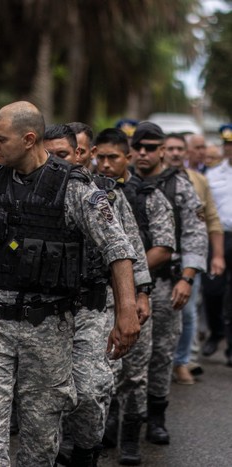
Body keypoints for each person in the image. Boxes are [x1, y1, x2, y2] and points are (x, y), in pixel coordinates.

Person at [0, 101, 139, 467]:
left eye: (0, 139)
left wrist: (127, 312)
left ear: (28, 139)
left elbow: (118, 249)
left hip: (49, 328)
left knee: (40, 438)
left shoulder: (74, 189)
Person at [43, 123, 151, 466]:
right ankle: (60, 451)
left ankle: (86, 451)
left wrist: (138, 299)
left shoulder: (106, 195)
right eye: (50, 156)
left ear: (80, 154)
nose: (56, 163)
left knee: (90, 391)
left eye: (63, 155)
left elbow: (130, 248)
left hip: (94, 303)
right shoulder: (35, 193)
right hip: (47, 310)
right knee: (48, 396)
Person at [94, 127, 176, 465]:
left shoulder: (148, 195)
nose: (106, 164)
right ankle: (106, 428)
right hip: (101, 297)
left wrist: (128, 278)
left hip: (141, 291)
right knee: (105, 369)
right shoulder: (90, 192)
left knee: (138, 370)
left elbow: (162, 247)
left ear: (126, 158)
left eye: (113, 157)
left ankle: (132, 436)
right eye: (101, 157)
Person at [130, 122, 208, 448]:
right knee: (125, 355)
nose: (144, 153)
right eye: (139, 147)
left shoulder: (179, 186)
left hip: (165, 284)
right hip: (125, 285)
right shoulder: (120, 184)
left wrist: (188, 278)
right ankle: (120, 421)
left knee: (161, 353)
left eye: (151, 147)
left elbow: (194, 232)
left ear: (163, 150)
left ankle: (156, 417)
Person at [163, 133, 225, 383]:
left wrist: (217, 255)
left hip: (188, 258)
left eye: (180, 149)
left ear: (186, 153)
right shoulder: (147, 179)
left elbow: (211, 219)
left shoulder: (198, 180)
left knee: (187, 313)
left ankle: (182, 362)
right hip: (157, 257)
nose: (176, 153)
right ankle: (156, 364)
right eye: (171, 149)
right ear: (162, 151)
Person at [201, 124, 232, 367]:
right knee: (212, 290)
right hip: (218, 238)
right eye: (228, 144)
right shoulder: (212, 175)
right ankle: (216, 331)